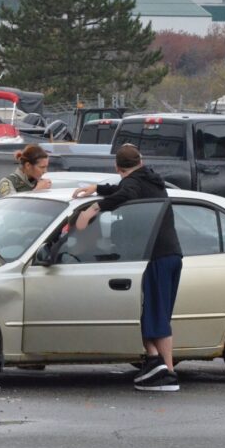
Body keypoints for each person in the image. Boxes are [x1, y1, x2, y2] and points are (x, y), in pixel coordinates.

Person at [72, 144, 182, 392]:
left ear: (117, 167)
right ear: (140, 161)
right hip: (172, 255)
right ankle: (158, 365)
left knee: (156, 315)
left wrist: (94, 207)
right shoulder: (152, 180)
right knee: (158, 314)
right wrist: (97, 189)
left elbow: (125, 192)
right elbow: (126, 187)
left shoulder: (133, 185)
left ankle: (167, 373)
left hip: (157, 256)